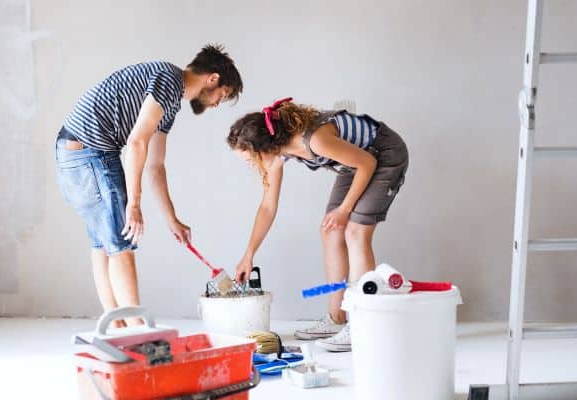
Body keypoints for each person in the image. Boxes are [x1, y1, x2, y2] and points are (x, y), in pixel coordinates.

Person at [55, 44, 243, 326]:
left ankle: (117, 326)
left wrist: (172, 220)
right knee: (122, 242)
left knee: (105, 244)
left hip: (76, 151)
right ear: (212, 79)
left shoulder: (169, 103)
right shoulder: (169, 80)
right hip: (89, 151)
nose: (217, 103)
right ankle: (136, 330)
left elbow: (155, 166)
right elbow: (136, 142)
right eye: (223, 95)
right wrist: (134, 202)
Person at [227, 98, 408, 351]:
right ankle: (337, 319)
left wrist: (344, 210)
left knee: (355, 232)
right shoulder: (279, 154)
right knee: (330, 231)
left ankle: (362, 326)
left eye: (250, 159)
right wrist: (249, 255)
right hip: (356, 161)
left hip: (383, 154)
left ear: (263, 147)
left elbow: (367, 163)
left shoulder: (315, 140)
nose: (251, 166)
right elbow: (268, 207)